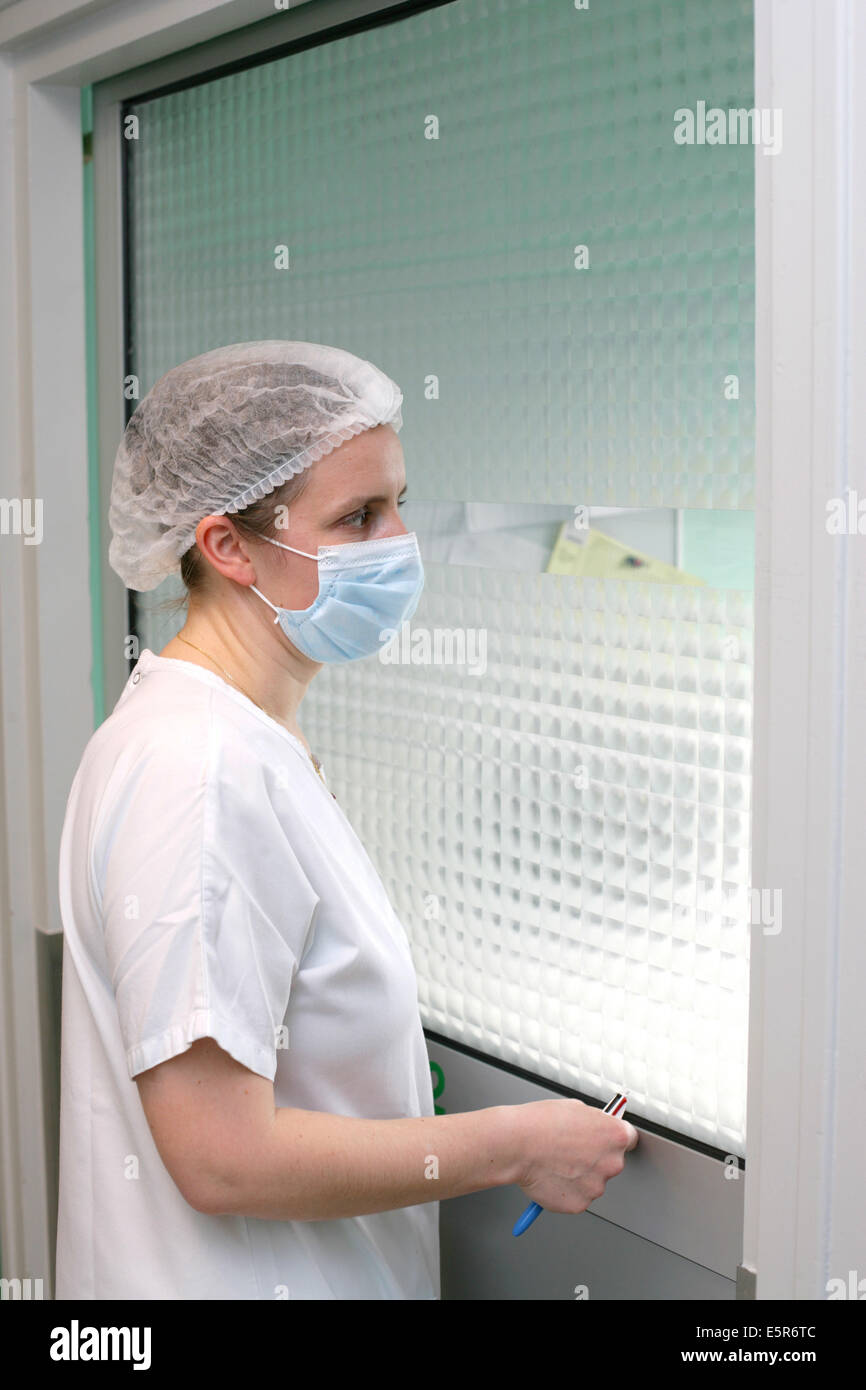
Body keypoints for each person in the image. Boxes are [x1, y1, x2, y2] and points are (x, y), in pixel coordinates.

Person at [55, 340, 638, 1300]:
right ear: (227, 546)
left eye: (398, 502)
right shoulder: (199, 773)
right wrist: (515, 1145)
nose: (398, 541)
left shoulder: (231, 736)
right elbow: (223, 1159)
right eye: (357, 517)